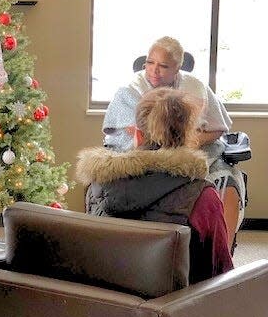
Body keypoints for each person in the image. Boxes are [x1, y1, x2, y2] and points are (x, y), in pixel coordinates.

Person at [102, 36, 244, 251]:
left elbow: (218, 128)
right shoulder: (130, 91)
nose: (154, 71)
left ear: (177, 68)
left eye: (163, 65)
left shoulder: (195, 88)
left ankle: (222, 250)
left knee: (228, 185)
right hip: (143, 154)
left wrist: (191, 143)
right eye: (150, 63)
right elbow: (126, 136)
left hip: (195, 149)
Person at [77, 88, 233, 283]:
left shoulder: (97, 186)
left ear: (138, 135)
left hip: (109, 306)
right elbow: (220, 274)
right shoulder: (203, 197)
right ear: (189, 136)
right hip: (175, 309)